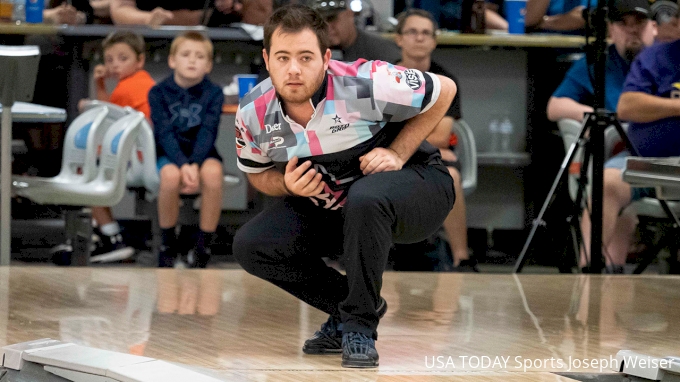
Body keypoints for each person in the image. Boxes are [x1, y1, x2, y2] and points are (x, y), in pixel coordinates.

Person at [232, 4, 456, 368]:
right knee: (251, 245)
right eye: (283, 57)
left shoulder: (365, 81)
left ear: (325, 58)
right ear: (266, 58)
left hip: (419, 187)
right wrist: (287, 184)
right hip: (343, 204)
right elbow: (257, 175)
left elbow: (444, 89)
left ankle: (359, 328)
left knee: (365, 197)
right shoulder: (252, 112)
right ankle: (350, 305)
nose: (293, 69)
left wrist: (397, 152)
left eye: (305, 58)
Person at [546, 0, 656, 272]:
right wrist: (605, 115)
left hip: (667, 157)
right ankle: (593, 277)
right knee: (607, 182)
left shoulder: (667, 60)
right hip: (630, 163)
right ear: (610, 28)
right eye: (623, 24)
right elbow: (555, 106)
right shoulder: (599, 61)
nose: (631, 31)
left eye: (638, 23)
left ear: (653, 26)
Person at [394, 9, 477, 272]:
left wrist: (402, 138)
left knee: (451, 176)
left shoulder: (446, 80)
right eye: (412, 32)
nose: (419, 38)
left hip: (428, 157)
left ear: (434, 41)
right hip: (393, 156)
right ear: (399, 39)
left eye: (426, 33)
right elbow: (374, 130)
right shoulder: (382, 76)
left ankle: (461, 257)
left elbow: (442, 136)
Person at [148, 32, 225, 268]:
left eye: (200, 56)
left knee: (213, 174)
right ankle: (167, 244)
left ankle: (203, 246)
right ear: (172, 60)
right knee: (170, 177)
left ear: (209, 65)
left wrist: (194, 163)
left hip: (202, 153)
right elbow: (164, 134)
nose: (192, 61)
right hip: (169, 153)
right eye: (185, 54)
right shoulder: (158, 93)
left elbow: (207, 132)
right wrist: (182, 164)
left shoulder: (214, 93)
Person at [614, 32, 680, 270]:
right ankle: (599, 278)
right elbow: (627, 106)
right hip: (650, 164)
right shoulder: (655, 56)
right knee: (607, 184)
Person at [310, 0, 401, 63]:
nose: (328, 26)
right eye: (320, 21)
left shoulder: (382, 51)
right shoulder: (311, 52)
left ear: (350, 15)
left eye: (332, 18)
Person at [109, 0, 271, 26]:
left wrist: (238, 5)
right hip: (151, 44)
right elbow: (119, 10)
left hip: (222, 48)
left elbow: (262, 15)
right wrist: (148, 18)